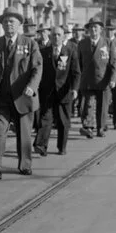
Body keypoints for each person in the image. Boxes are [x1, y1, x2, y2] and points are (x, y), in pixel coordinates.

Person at [0, 6, 42, 179]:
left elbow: (37, 68)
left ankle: (25, 164)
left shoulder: (30, 44)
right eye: (5, 21)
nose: (8, 24)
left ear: (19, 24)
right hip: (1, 97)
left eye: (12, 21)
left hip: (23, 96)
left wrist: (32, 86)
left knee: (24, 134)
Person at [33, 26, 80, 156]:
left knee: (63, 121)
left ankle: (61, 146)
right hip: (47, 91)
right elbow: (38, 70)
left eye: (59, 35)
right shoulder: (44, 51)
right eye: (53, 35)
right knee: (45, 119)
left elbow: (76, 72)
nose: (56, 37)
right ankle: (41, 145)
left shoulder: (70, 51)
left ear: (64, 36)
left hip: (64, 92)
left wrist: (75, 89)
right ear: (50, 36)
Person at [78, 17, 116, 139]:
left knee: (102, 106)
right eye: (91, 27)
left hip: (103, 80)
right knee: (88, 104)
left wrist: (113, 79)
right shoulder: (82, 43)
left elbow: (113, 63)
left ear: (100, 30)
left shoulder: (108, 43)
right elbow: (78, 63)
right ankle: (89, 127)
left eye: (96, 27)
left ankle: (100, 128)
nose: (93, 30)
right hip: (87, 80)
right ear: (88, 30)